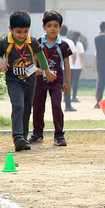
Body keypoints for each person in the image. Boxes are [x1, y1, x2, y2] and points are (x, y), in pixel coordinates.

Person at [0, 11, 54, 152]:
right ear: (11, 29)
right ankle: (17, 137)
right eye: (18, 32)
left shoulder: (32, 42)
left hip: (30, 81)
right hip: (13, 80)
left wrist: (47, 71)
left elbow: (40, 56)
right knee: (18, 106)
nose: (22, 35)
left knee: (27, 109)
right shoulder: (5, 42)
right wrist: (0, 60)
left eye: (25, 31)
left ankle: (23, 138)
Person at [31, 11, 72, 147]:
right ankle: (37, 133)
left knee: (56, 105)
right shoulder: (38, 43)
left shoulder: (63, 45)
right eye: (49, 26)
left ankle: (59, 135)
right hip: (39, 82)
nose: (52, 29)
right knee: (37, 106)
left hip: (56, 82)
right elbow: (33, 61)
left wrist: (67, 83)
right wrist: (35, 71)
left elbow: (66, 65)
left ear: (60, 27)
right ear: (44, 27)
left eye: (56, 26)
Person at [65, 29, 85, 111]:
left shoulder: (69, 42)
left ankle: (66, 98)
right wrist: (83, 65)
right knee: (73, 82)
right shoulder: (78, 44)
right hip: (75, 66)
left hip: (68, 65)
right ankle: (73, 97)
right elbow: (80, 55)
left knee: (65, 83)